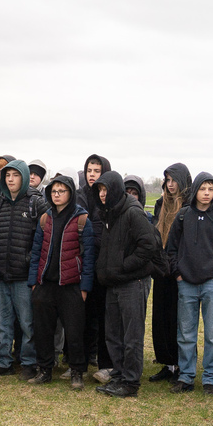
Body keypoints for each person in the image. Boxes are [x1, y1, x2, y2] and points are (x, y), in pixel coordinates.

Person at [164, 171, 213, 394]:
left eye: (211, 189)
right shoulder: (182, 216)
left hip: (212, 284)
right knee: (186, 333)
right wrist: (178, 273)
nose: (206, 193)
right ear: (195, 190)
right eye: (203, 189)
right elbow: (172, 249)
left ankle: (210, 379)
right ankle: (186, 377)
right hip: (186, 282)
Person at [92, 170, 163, 397]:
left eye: (106, 189)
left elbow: (148, 246)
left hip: (133, 282)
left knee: (131, 336)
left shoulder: (133, 212)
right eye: (100, 190)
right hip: (113, 283)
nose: (102, 194)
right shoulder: (108, 214)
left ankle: (131, 382)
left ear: (115, 190)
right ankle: (120, 376)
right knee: (113, 334)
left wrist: (123, 266)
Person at [28, 173, 95, 388]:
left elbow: (89, 257)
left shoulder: (82, 219)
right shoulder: (45, 218)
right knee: (43, 330)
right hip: (45, 284)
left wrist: (84, 287)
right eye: (54, 191)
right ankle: (44, 369)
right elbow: (36, 250)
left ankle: (77, 371)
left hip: (72, 286)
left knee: (74, 332)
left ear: (70, 193)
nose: (57, 195)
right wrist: (34, 283)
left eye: (61, 191)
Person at [0, 160, 43, 379]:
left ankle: (29, 362)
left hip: (23, 275)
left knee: (27, 323)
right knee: (2, 322)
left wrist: (28, 260)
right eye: (7, 175)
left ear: (24, 177)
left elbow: (42, 237)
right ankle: (3, 361)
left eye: (14, 175)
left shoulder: (35, 203)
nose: (9, 179)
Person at [150, 163, 190, 382]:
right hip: (162, 269)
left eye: (174, 180)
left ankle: (181, 364)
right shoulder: (160, 204)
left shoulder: (189, 206)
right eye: (167, 180)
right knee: (160, 318)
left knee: (179, 320)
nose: (171, 184)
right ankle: (166, 362)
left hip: (180, 270)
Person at [78, 155, 112, 380]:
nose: (92, 174)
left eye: (97, 170)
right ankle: (79, 361)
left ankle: (105, 363)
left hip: (104, 267)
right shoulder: (79, 196)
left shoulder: (109, 200)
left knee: (103, 318)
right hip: (82, 265)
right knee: (81, 316)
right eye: (89, 170)